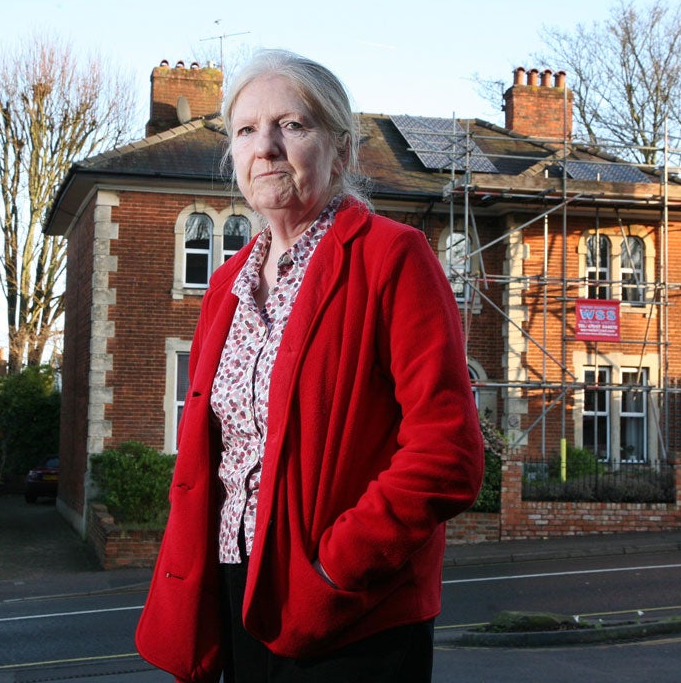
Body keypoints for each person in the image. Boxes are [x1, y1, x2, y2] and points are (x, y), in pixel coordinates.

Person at [135, 49, 484, 683]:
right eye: (246, 131)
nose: (265, 147)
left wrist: (334, 571)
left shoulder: (392, 258)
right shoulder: (226, 285)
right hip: (235, 593)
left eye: (291, 125)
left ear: (342, 150)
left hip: (354, 610)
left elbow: (448, 453)